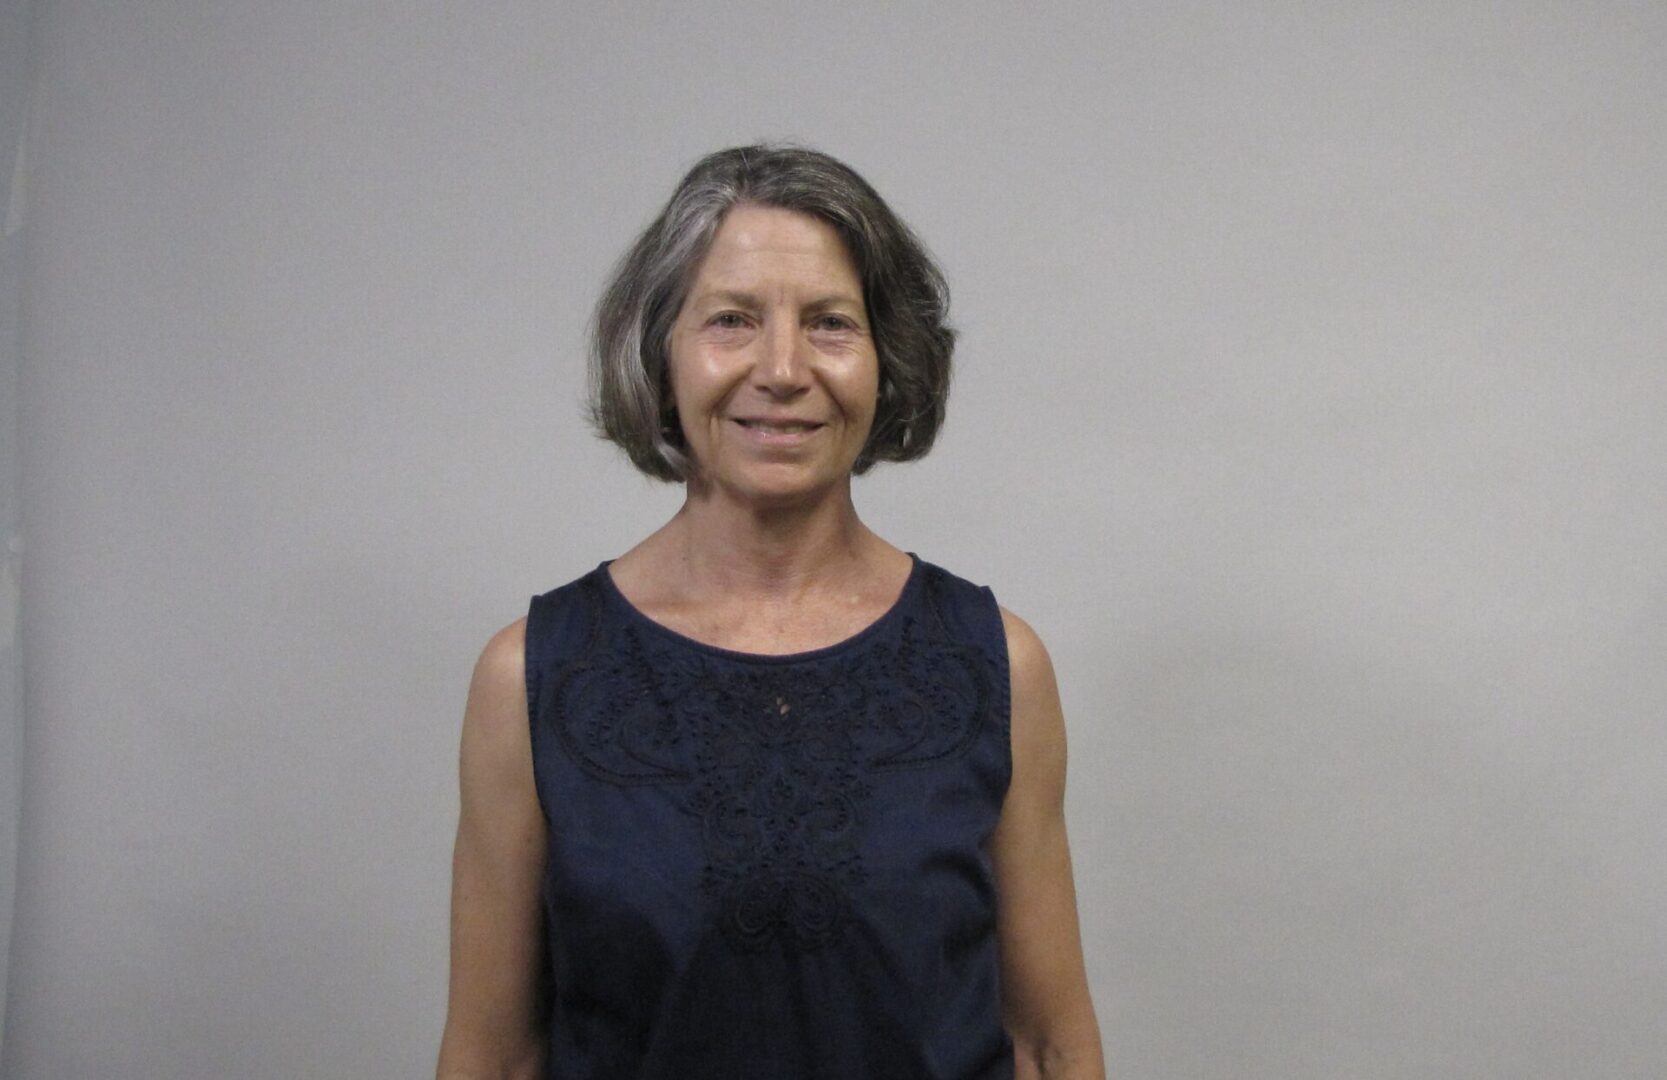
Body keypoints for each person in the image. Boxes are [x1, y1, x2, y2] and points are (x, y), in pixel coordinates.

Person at [436, 144, 1104, 1079]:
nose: (782, 369)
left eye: (830, 323)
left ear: (887, 358)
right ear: (658, 351)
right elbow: (493, 1061)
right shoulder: (534, 680)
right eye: (731, 321)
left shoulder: (993, 665)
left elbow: (1048, 1048)